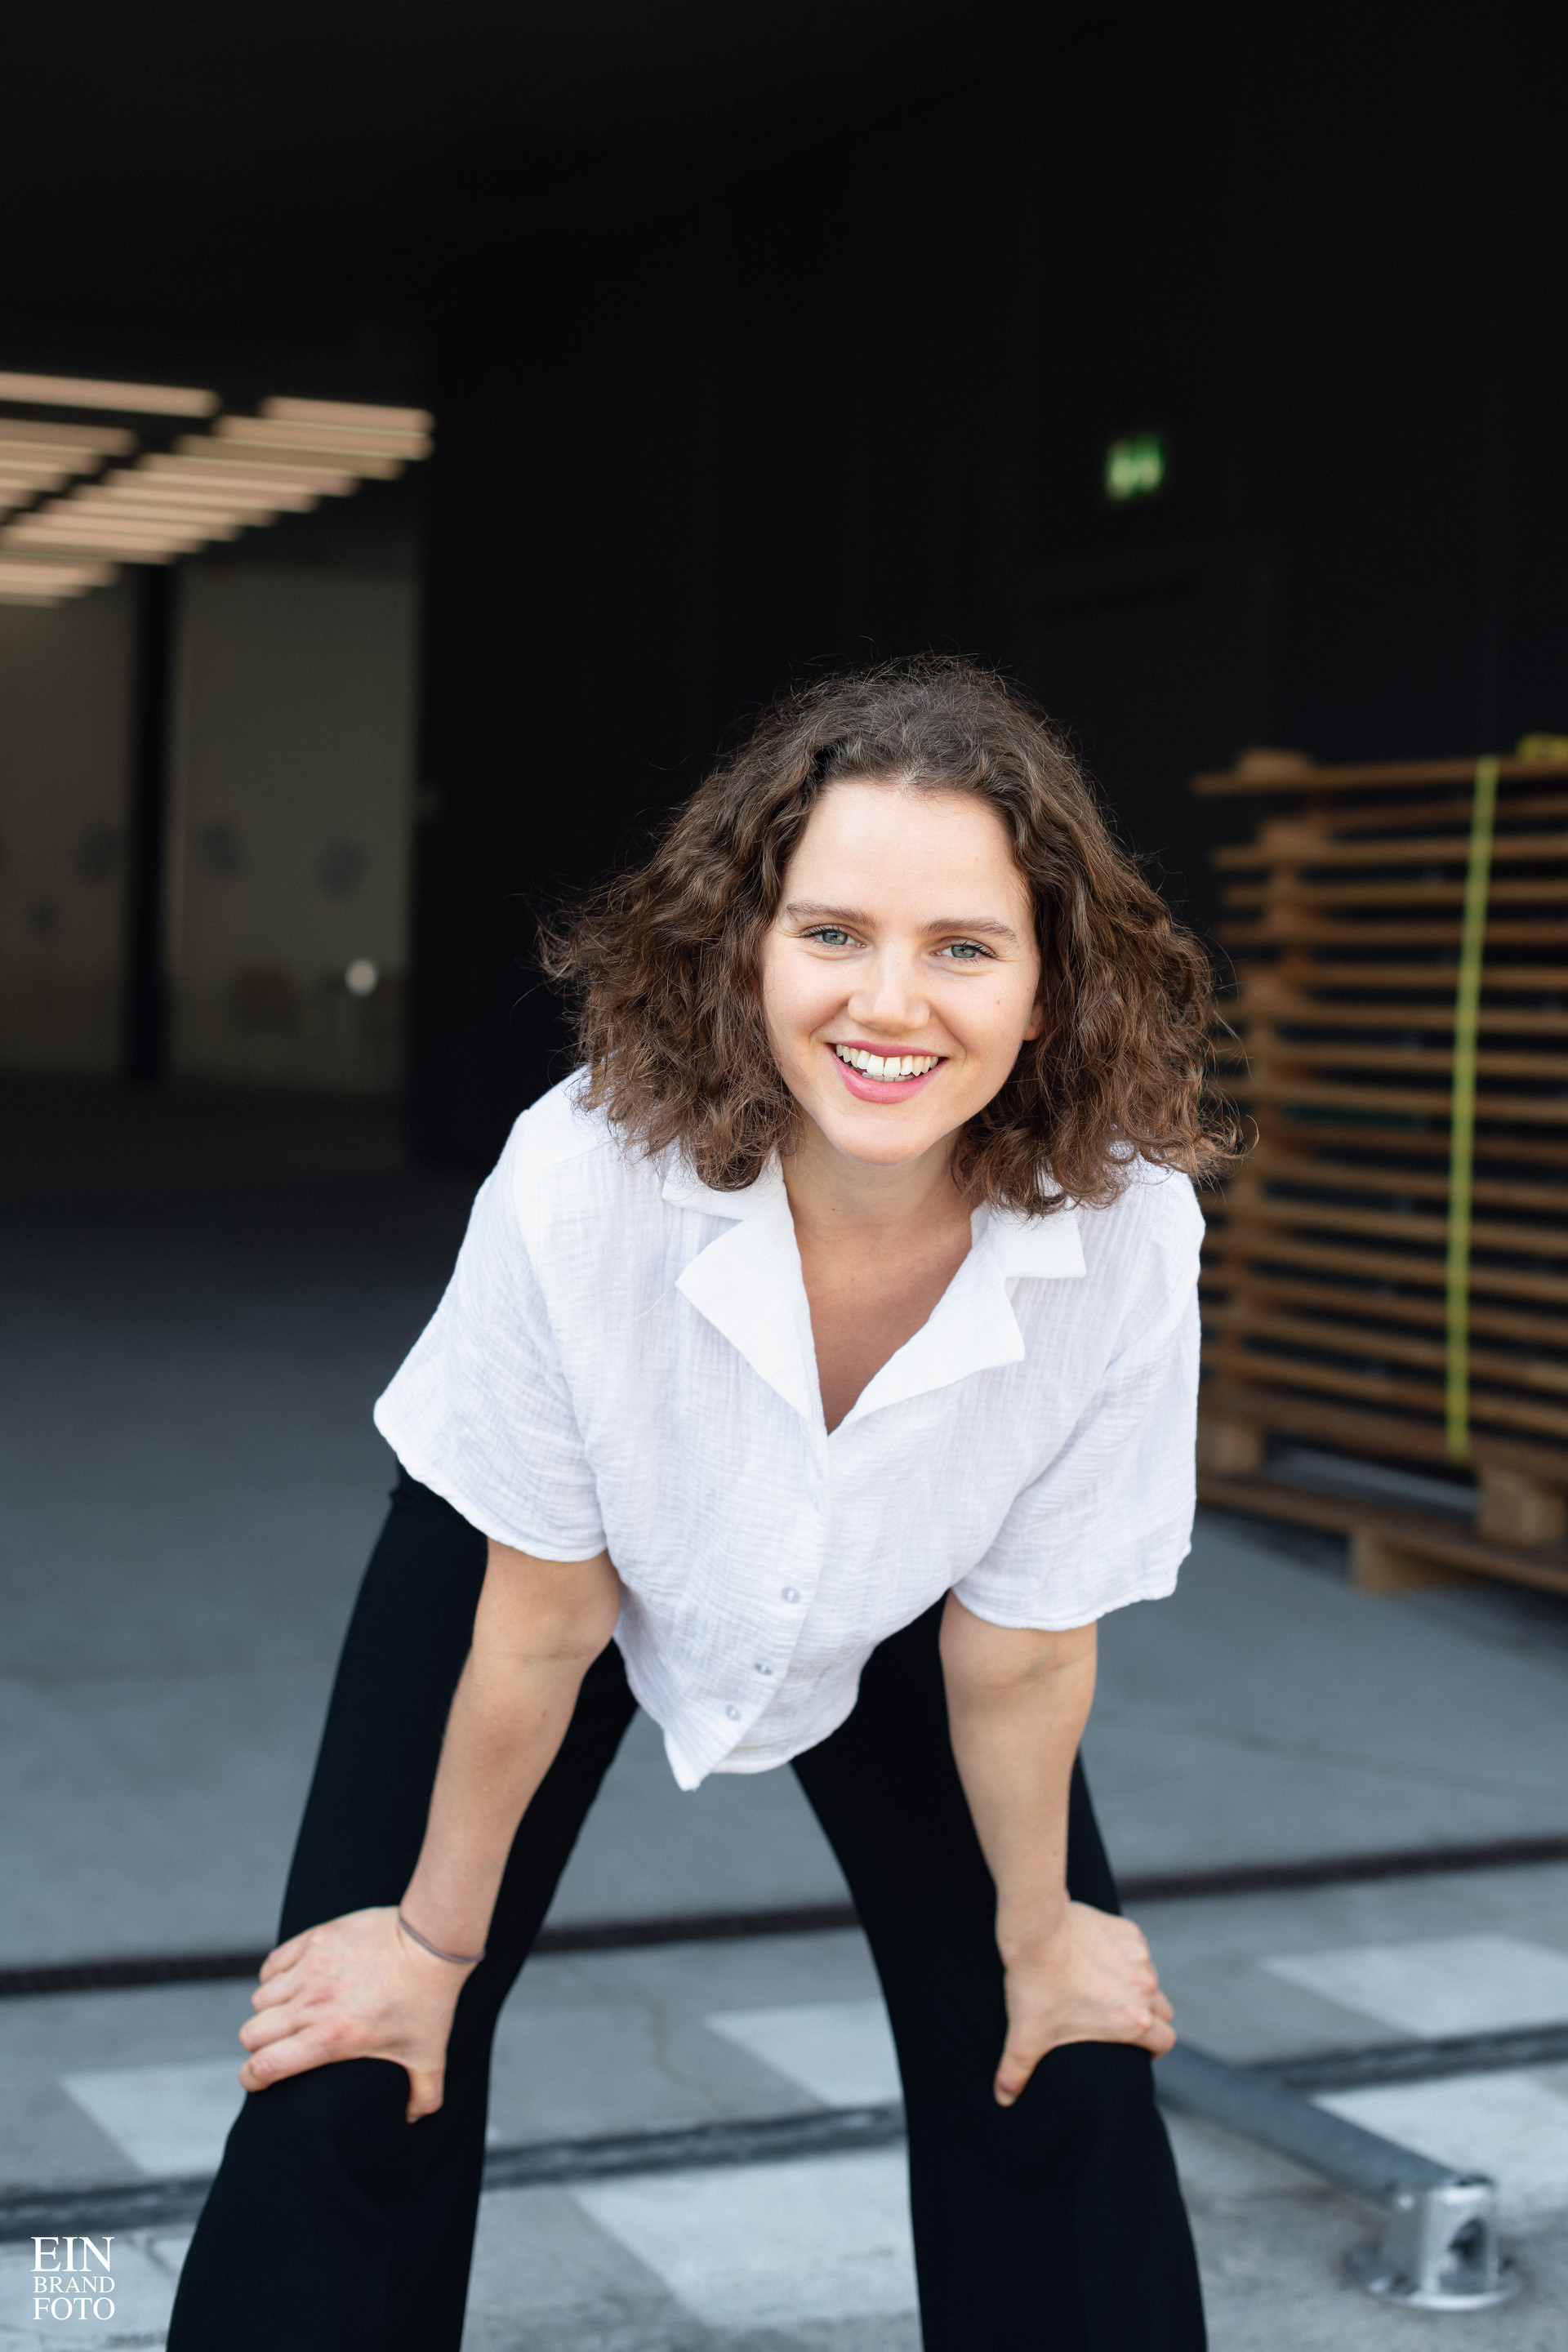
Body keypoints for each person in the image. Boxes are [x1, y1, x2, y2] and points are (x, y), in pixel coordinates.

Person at [169, 657, 1231, 2351]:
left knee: (1068, 2053)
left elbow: (1024, 1652)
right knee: (355, 2052)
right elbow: (544, 1627)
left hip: (914, 1587)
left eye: (965, 947)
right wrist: (432, 1946)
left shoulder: (1126, 1235)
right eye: (833, 933)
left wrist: (1041, 1935)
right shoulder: (586, 1180)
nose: (891, 1003)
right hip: (539, 1568)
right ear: (748, 946)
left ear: (1052, 987)